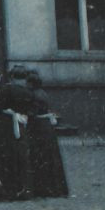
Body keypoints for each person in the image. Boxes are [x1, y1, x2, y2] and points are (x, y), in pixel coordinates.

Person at [0, 69, 34, 201]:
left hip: (4, 126)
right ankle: (20, 188)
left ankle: (4, 190)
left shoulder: (7, 90)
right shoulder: (28, 92)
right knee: (19, 157)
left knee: (1, 157)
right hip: (20, 127)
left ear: (12, 77)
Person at [24, 70, 69, 198]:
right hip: (46, 127)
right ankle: (53, 186)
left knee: (39, 157)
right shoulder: (43, 93)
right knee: (49, 157)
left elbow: (32, 112)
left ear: (31, 84)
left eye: (28, 83)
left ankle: (42, 187)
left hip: (38, 127)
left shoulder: (34, 95)